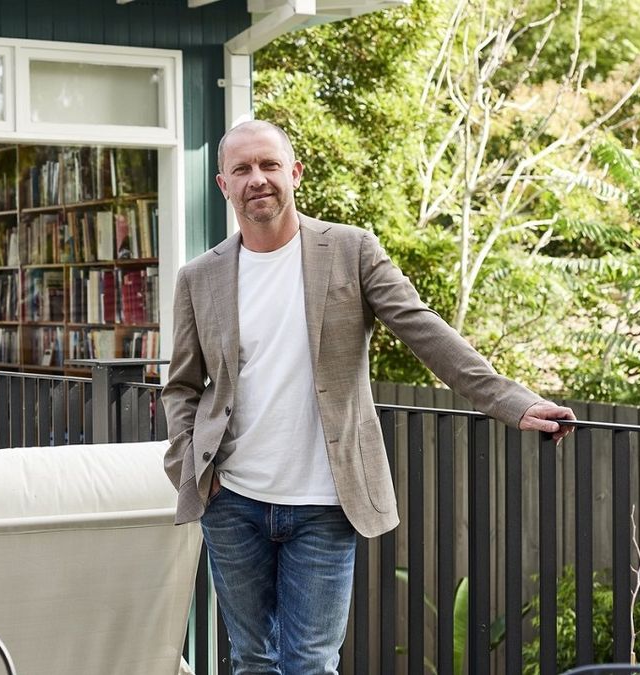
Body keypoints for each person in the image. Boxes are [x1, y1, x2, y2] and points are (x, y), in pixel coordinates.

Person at [161, 120, 574, 674]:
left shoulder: (350, 250)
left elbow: (423, 329)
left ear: (294, 174)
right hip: (232, 500)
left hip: (327, 502)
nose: (257, 179)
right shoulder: (199, 276)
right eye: (242, 169)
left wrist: (513, 402)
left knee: (310, 663)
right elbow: (183, 385)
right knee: (252, 660)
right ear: (223, 185)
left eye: (269, 165)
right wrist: (191, 466)